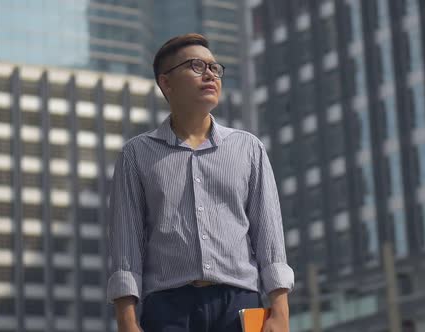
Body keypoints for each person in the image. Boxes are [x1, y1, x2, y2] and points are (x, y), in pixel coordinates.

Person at [106, 33, 294, 332]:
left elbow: (269, 236)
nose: (210, 74)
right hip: (167, 308)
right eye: (196, 66)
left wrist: (280, 313)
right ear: (166, 82)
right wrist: (127, 321)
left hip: (239, 302)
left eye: (214, 67)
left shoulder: (248, 148)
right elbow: (126, 244)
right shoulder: (136, 155)